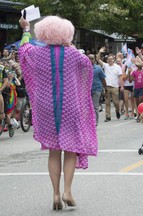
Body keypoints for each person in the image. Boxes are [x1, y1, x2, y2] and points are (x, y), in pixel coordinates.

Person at [19, 16, 98, 210]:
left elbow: (23, 50)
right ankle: (67, 191)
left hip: (45, 107)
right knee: (70, 149)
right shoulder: (75, 55)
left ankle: (55, 194)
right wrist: (69, 47)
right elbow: (87, 70)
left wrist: (26, 29)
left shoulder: (36, 53)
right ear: (66, 34)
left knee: (53, 151)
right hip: (70, 106)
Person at [96, 49, 123, 122]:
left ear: (114, 60)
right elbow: (98, 59)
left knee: (116, 102)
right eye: (108, 59)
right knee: (107, 102)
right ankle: (108, 116)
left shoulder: (117, 67)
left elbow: (120, 77)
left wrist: (122, 86)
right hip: (107, 86)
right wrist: (99, 52)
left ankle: (117, 111)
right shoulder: (105, 65)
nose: (110, 60)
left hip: (115, 87)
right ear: (107, 60)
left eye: (111, 59)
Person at [89, 54, 106, 126]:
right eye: (89, 58)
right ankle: (89, 121)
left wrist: (105, 88)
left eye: (92, 59)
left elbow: (103, 79)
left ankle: (95, 122)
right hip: (87, 90)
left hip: (97, 89)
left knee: (95, 106)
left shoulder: (98, 68)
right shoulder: (84, 68)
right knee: (87, 106)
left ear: (94, 60)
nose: (91, 60)